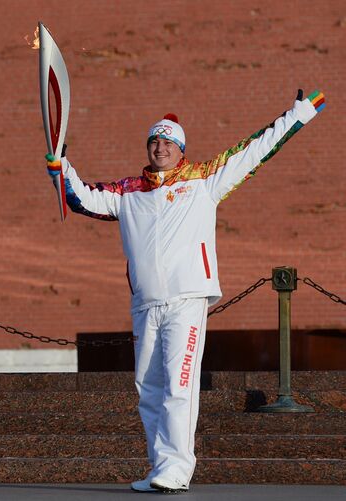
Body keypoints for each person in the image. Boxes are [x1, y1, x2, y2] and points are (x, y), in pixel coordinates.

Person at [46, 90, 325, 493]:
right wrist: (62, 167)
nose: (160, 148)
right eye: (154, 142)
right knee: (148, 388)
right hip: (145, 302)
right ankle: (160, 466)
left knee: (179, 383)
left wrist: (298, 113)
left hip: (187, 299)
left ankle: (177, 469)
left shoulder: (204, 180)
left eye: (168, 143)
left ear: (181, 150)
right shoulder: (127, 192)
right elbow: (83, 198)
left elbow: (255, 150)